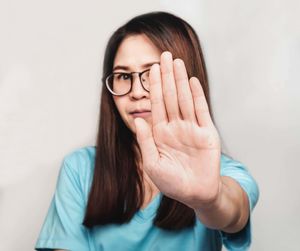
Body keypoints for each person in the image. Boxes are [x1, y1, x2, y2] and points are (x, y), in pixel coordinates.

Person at [35, 11, 259, 251]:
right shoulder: (80, 168)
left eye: (151, 74)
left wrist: (210, 200)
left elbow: (234, 212)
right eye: (123, 76)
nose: (136, 91)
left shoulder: (219, 170)